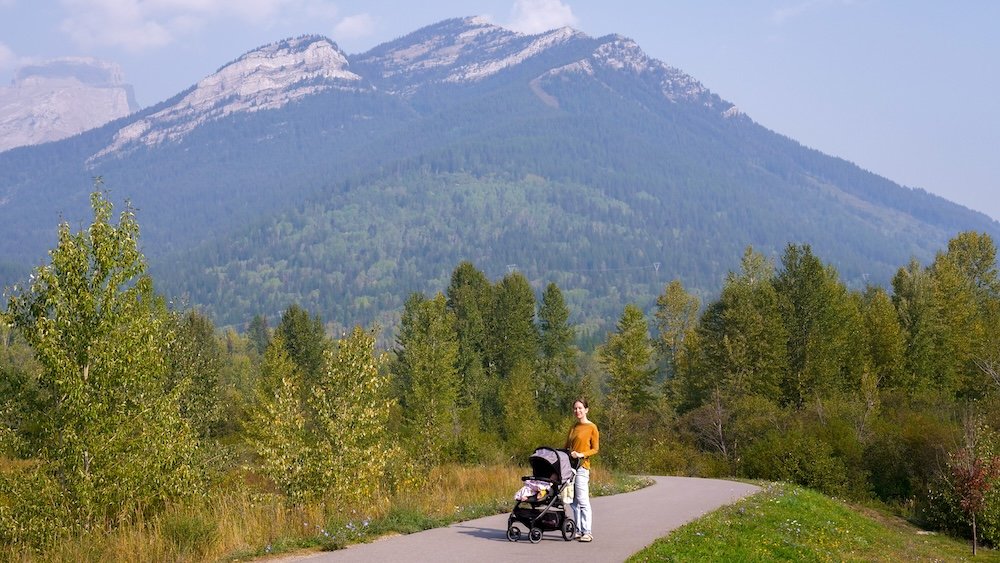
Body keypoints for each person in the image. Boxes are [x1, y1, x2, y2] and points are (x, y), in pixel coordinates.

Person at [565, 398, 599, 542]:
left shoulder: (592, 427)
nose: (577, 411)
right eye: (575, 408)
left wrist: (581, 454)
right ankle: (578, 530)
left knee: (583, 500)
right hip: (571, 467)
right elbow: (567, 445)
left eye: (580, 408)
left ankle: (587, 531)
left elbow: (595, 449)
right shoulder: (574, 427)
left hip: (582, 467)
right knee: (573, 501)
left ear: (586, 410)